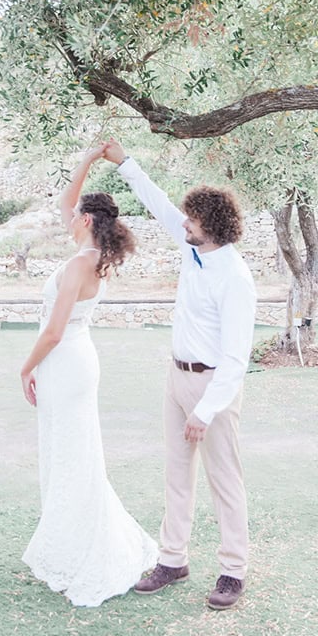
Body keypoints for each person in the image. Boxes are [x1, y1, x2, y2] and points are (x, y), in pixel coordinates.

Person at [102, 138, 257, 610]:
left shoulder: (235, 277)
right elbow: (158, 204)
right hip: (176, 378)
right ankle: (173, 559)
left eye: (191, 219)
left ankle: (233, 570)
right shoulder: (192, 248)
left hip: (214, 386)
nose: (183, 223)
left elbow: (236, 358)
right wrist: (124, 163)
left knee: (224, 479)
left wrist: (206, 410)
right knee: (176, 473)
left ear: (209, 226)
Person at [20, 144, 157, 607]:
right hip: (77, 360)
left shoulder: (81, 262)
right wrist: (88, 159)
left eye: (76, 213)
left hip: (66, 361)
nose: (68, 213)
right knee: (70, 450)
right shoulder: (92, 253)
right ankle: (68, 539)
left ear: (86, 221)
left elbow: (54, 331)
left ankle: (80, 549)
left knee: (72, 453)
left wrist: (25, 366)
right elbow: (66, 200)